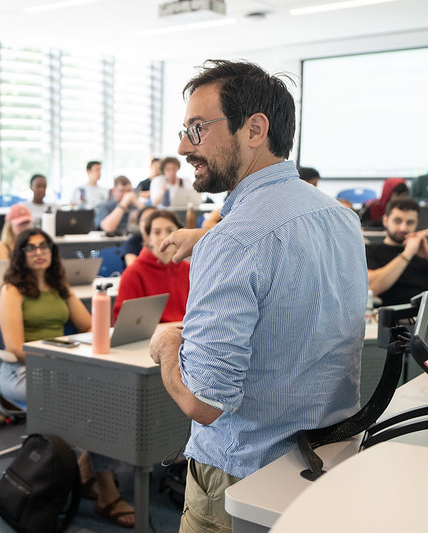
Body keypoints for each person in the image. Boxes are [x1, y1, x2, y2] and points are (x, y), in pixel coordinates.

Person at [148, 60, 367, 532]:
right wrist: (207, 239)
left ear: (254, 129)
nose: (184, 146)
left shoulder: (234, 243)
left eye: (197, 128)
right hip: (323, 461)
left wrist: (167, 344)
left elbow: (202, 403)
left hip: (239, 476)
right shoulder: (341, 219)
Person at [0, 228, 135, 528]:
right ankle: (106, 491)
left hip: (60, 369)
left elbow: (88, 326)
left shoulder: (59, 286)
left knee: (105, 396)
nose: (38, 251)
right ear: (20, 255)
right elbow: (15, 348)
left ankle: (86, 468)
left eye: (43, 246)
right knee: (91, 403)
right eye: (30, 248)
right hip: (22, 371)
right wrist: (60, 359)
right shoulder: (12, 290)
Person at [113, 210, 189, 323]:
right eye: (157, 232)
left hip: (187, 335)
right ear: (148, 238)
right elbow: (124, 323)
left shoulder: (188, 269)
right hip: (152, 338)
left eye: (169, 231)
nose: (164, 237)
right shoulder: (133, 273)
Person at [366, 198, 428, 306]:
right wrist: (408, 253)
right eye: (397, 221)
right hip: (391, 318)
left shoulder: (423, 251)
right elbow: (371, 288)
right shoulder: (371, 250)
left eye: (410, 222)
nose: (403, 228)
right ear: (385, 221)